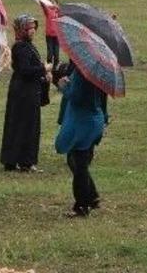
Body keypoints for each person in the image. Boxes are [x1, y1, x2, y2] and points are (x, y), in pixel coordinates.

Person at [55, 67, 108, 217]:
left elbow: (76, 97)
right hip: (94, 118)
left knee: (79, 164)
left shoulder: (82, 72)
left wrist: (63, 87)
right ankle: (92, 196)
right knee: (78, 161)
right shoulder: (98, 72)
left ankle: (82, 205)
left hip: (83, 121)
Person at [0, 15, 50, 172]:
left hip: (26, 90)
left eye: (34, 27)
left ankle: (18, 160)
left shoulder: (26, 46)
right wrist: (43, 69)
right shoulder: (21, 47)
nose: (33, 30)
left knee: (23, 124)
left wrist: (43, 74)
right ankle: (24, 161)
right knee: (25, 125)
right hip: (24, 92)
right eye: (29, 28)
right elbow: (25, 70)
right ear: (22, 30)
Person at [41, 0, 61, 66]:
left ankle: (56, 67)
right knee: (50, 53)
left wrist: (57, 7)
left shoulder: (59, 12)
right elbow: (44, 7)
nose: (51, 4)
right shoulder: (48, 11)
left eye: (53, 2)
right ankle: (48, 66)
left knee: (56, 53)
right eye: (50, 2)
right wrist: (41, 0)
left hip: (57, 36)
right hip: (49, 36)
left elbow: (63, 11)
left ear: (57, 4)